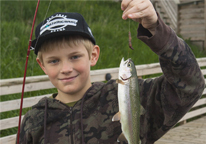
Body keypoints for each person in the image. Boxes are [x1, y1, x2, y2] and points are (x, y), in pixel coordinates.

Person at [18, 0, 205, 144]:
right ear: (42, 65)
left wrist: (156, 29)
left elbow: (190, 86)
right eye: (54, 61)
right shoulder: (34, 121)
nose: (66, 69)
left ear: (93, 55)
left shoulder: (125, 97)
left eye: (75, 57)